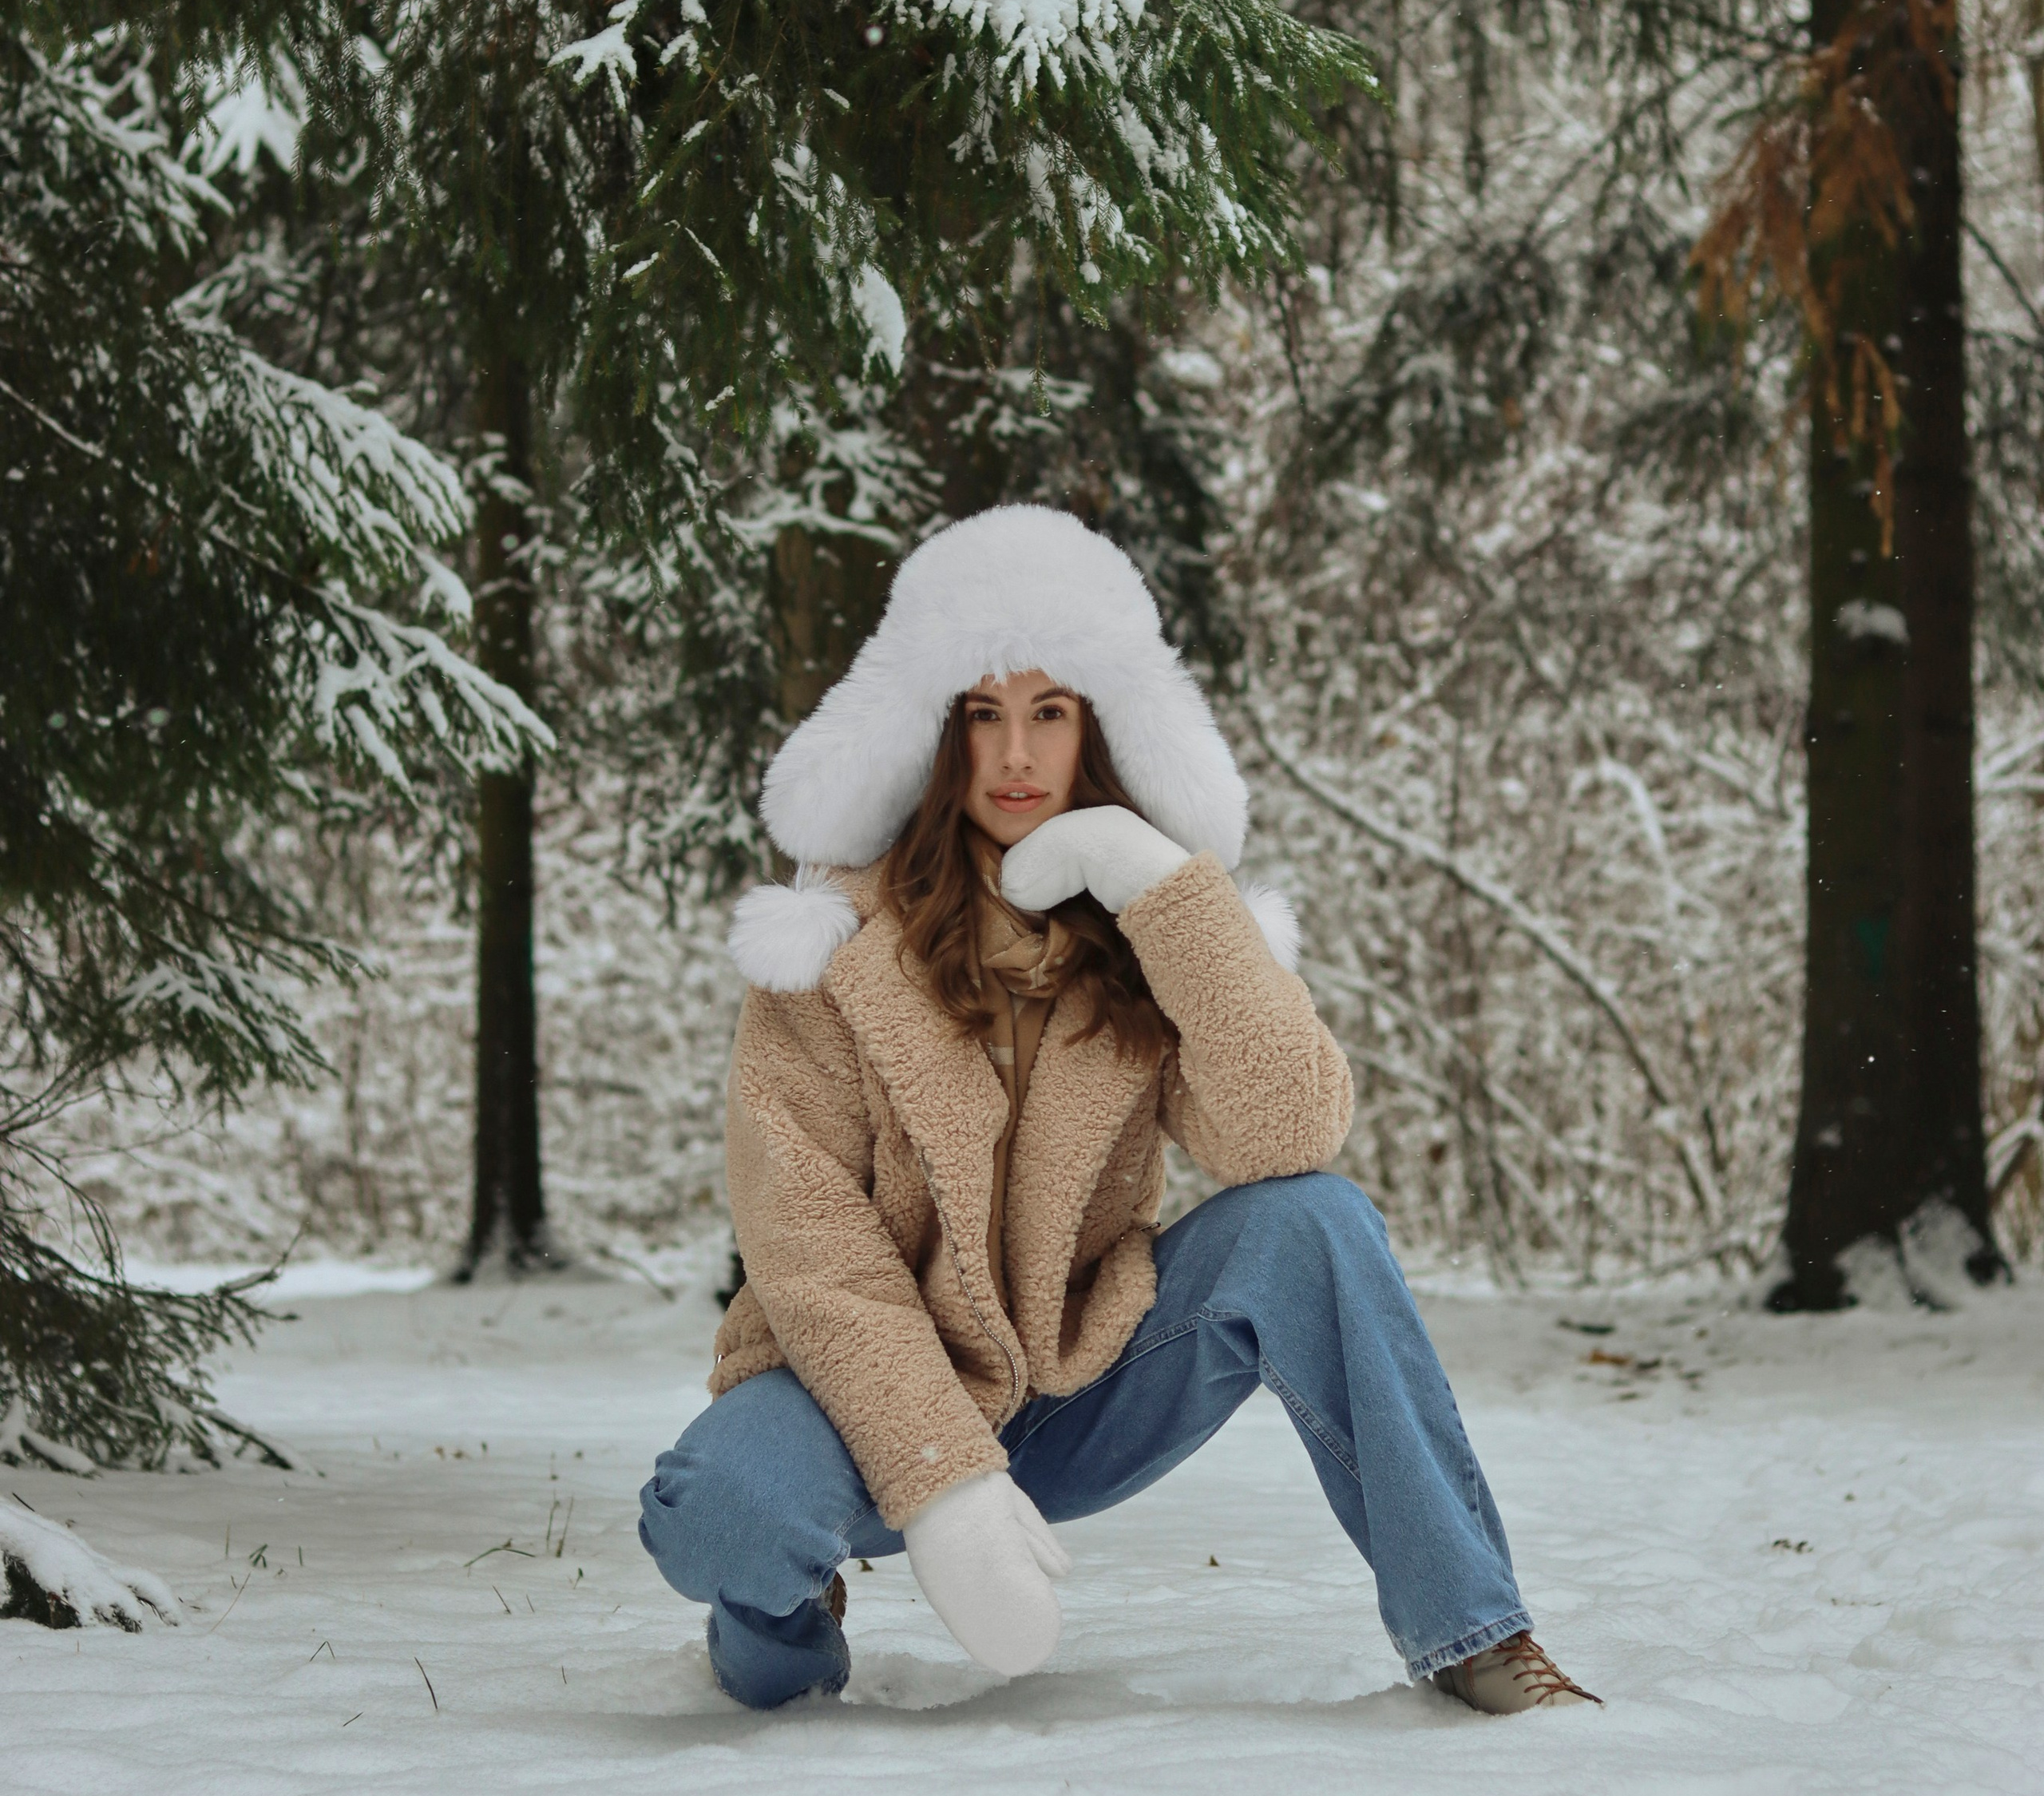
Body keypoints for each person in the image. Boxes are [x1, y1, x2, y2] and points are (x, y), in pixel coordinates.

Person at [640, 506, 1595, 1716]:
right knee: (722, 1514)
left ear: (1100, 729)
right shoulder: (834, 948)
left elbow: (1286, 1134)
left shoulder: (1151, 931)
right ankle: (793, 1628)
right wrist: (942, 1480)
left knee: (1318, 1221)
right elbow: (808, 1244)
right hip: (847, 1394)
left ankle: (1474, 1632)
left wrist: (1162, 889)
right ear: (937, 738)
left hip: (1076, 1377)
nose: (1013, 756)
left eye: (1050, 712)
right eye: (981, 717)